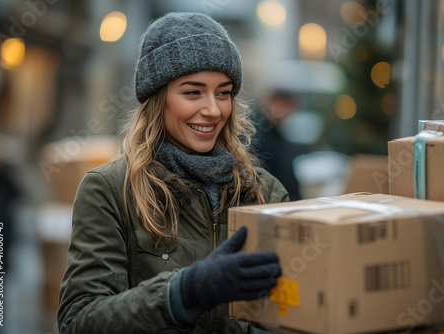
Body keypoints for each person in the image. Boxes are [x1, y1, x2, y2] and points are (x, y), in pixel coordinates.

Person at [58, 12, 289, 334]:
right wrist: (185, 292)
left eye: (223, 92)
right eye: (193, 92)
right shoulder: (109, 189)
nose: (213, 109)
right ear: (158, 98)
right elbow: (79, 321)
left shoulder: (264, 191)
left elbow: (288, 310)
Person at [254, 89, 302, 201]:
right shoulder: (257, 133)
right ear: (269, 102)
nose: (284, 111)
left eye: (288, 106)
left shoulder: (278, 133)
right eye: (281, 104)